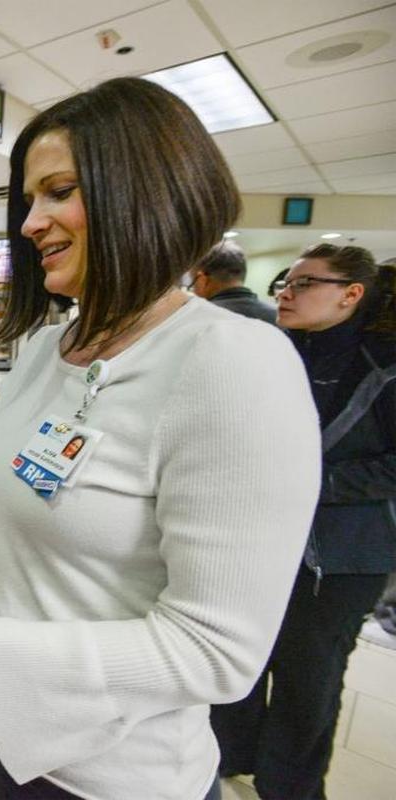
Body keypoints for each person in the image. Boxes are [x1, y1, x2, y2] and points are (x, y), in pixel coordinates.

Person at [0, 77, 321, 800]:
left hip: (104, 773)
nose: (28, 222)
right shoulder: (52, 348)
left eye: (59, 191)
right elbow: (9, 488)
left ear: (147, 192)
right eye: (28, 199)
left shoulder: (233, 365)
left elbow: (217, 650)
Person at [210, 243, 396, 799]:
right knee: (242, 654)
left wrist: (312, 485)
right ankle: (233, 753)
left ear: (350, 294)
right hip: (261, 541)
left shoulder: (382, 367)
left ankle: (290, 784)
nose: (285, 294)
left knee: (309, 675)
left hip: (342, 555)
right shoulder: (274, 350)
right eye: (283, 285)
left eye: (303, 284)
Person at [186, 241, 276, 323]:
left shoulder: (195, 318)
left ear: (203, 280)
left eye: (193, 284)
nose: (194, 290)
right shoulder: (278, 317)